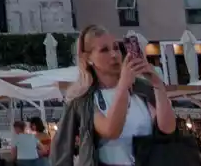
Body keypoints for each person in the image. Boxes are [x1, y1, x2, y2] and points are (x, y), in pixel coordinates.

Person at [48, 25, 177, 166]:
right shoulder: (86, 99)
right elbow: (111, 130)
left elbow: (167, 128)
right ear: (88, 58)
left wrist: (157, 84)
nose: (114, 55)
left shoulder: (140, 90)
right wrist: (123, 85)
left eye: (116, 48)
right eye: (104, 50)